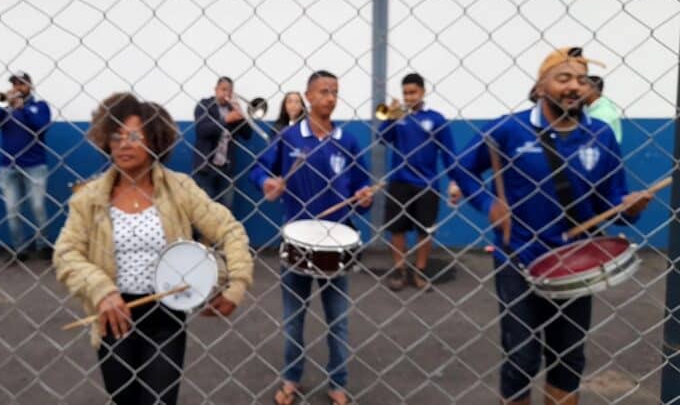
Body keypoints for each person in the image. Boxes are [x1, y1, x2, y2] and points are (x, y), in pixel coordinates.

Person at [453, 47, 653, 405]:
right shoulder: (509, 129)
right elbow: (461, 166)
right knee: (521, 358)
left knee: (568, 360)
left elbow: (614, 203)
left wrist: (631, 209)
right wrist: (488, 203)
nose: (574, 86)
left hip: (577, 265)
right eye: (563, 78)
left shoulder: (601, 136)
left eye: (581, 79)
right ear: (541, 86)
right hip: (519, 260)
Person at [54, 93, 254, 405]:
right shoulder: (89, 198)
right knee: (125, 397)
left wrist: (238, 283)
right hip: (114, 316)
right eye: (116, 136)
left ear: (155, 141)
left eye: (134, 136)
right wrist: (101, 290)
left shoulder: (180, 188)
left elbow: (229, 229)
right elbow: (66, 253)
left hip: (166, 317)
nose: (123, 144)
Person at [250, 70, 374, 405]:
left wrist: (365, 198)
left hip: (338, 245)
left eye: (334, 91)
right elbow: (259, 169)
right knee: (293, 321)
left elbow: (364, 186)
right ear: (308, 96)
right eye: (323, 91)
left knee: (339, 322)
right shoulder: (289, 137)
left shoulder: (347, 141)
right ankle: (292, 378)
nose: (330, 98)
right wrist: (267, 183)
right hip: (297, 243)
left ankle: (338, 382)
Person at [378, 72, 457, 291]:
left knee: (425, 231)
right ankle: (399, 270)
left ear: (423, 92)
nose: (409, 97)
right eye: (405, 93)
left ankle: (420, 271)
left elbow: (448, 151)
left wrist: (453, 180)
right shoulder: (398, 117)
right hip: (399, 181)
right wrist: (391, 118)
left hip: (427, 183)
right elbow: (382, 139)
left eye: (413, 92)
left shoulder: (436, 119)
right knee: (397, 229)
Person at [0, 72, 52, 261]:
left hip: (35, 166)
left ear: (30, 86)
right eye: (14, 84)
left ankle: (43, 245)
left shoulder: (40, 107)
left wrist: (22, 109)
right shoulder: (5, 108)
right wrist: (2, 107)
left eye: (22, 84)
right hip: (8, 167)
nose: (18, 88)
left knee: (38, 206)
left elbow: (42, 126)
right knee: (12, 210)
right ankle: (19, 249)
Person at [192, 76, 252, 210]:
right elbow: (202, 130)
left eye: (230, 91)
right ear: (216, 90)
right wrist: (225, 120)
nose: (226, 93)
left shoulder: (233, 110)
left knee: (227, 209)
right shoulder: (204, 105)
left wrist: (241, 115)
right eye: (223, 89)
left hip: (226, 169)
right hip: (206, 168)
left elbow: (248, 135)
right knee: (204, 211)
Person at [584, 75, 622, 144]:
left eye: (583, 87)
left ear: (594, 90)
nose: (578, 90)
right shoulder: (588, 108)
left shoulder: (603, 113)